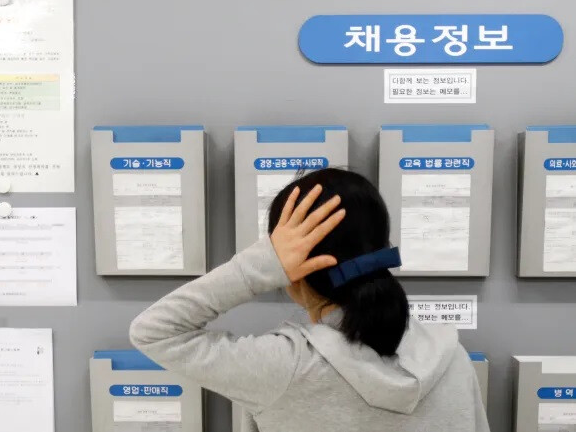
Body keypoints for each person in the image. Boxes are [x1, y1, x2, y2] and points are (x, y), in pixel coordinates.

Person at [130, 168, 490, 432]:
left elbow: (153, 331)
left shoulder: (285, 367)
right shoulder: (451, 358)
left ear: (291, 268)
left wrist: (260, 266)